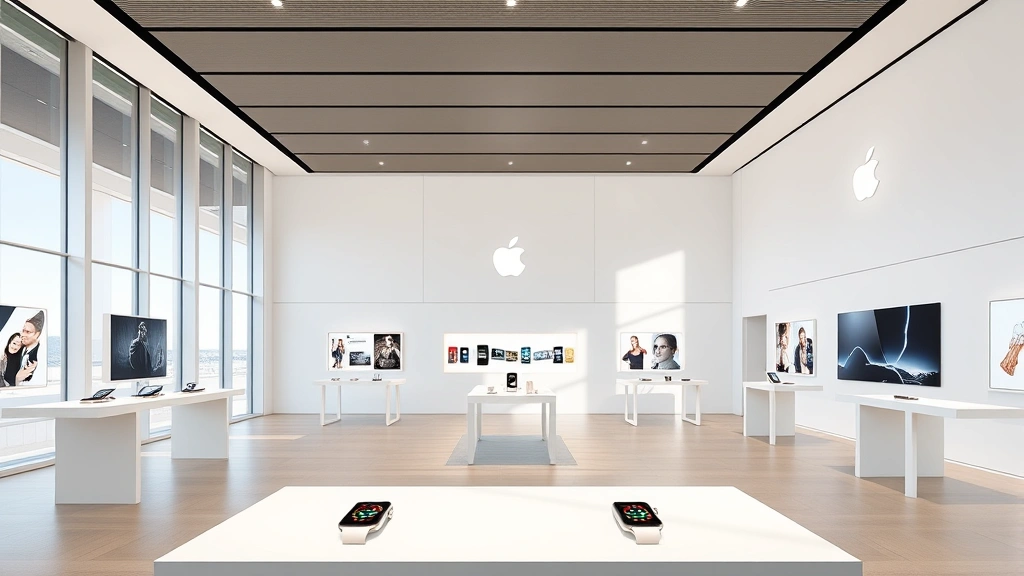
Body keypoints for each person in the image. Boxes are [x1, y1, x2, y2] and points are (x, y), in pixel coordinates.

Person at [17, 310, 44, 383]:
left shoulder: (37, 356)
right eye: (23, 330)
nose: (23, 334)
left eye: (28, 332)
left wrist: (17, 379)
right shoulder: (19, 348)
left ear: (37, 334)